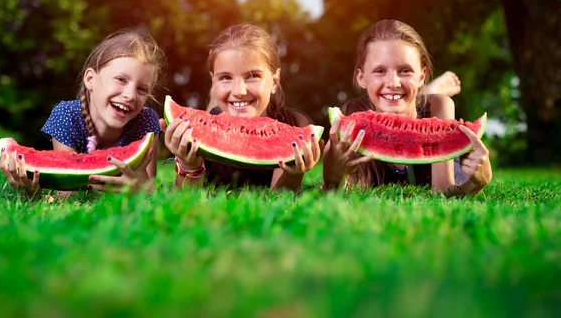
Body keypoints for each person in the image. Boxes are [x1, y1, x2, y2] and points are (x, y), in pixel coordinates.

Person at [322, 19, 492, 197]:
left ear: (421, 76)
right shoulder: (353, 118)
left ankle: (430, 91)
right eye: (380, 71)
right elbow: (346, 194)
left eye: (405, 70)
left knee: (429, 103)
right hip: (409, 99)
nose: (393, 83)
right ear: (361, 77)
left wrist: (476, 183)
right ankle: (429, 90)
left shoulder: (440, 105)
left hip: (445, 151)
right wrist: (332, 177)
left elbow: (443, 191)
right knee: (408, 97)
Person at [0, 29, 166, 196]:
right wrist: (33, 193)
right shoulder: (66, 115)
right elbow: (66, 193)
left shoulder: (146, 121)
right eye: (121, 80)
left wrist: (142, 190)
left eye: (142, 89)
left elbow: (148, 184)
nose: (130, 95)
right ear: (90, 79)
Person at [162, 23, 322, 191]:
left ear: (274, 81)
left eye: (253, 76)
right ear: (213, 81)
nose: (239, 91)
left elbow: (278, 202)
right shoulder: (197, 133)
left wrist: (293, 174)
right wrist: (190, 166)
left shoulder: (294, 124)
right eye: (225, 78)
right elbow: (185, 203)